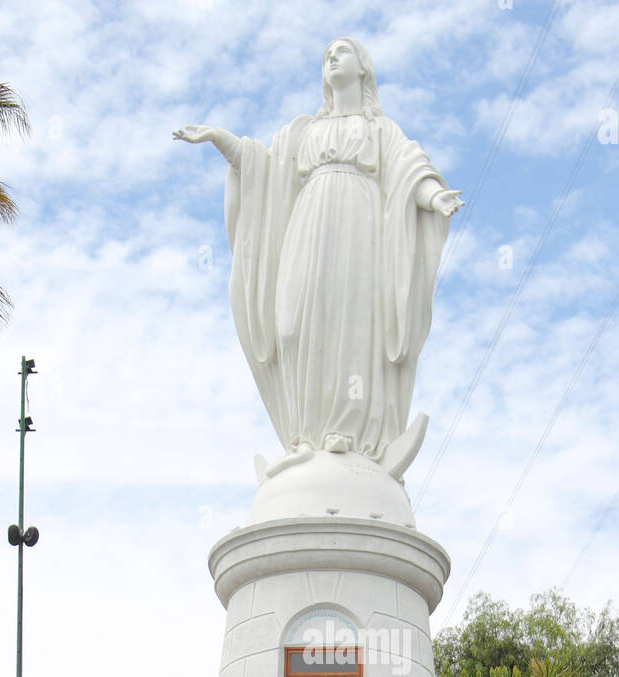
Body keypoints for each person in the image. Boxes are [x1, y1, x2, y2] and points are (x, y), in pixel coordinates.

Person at [173, 39, 461, 475]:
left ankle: (347, 434)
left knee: (350, 321)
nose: (331, 57)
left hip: (360, 225)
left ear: (363, 68)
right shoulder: (304, 131)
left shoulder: (381, 130)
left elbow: (408, 172)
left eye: (342, 51)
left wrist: (434, 198)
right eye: (327, 53)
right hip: (308, 222)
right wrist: (222, 140)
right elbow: (263, 172)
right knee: (292, 324)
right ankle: (304, 434)